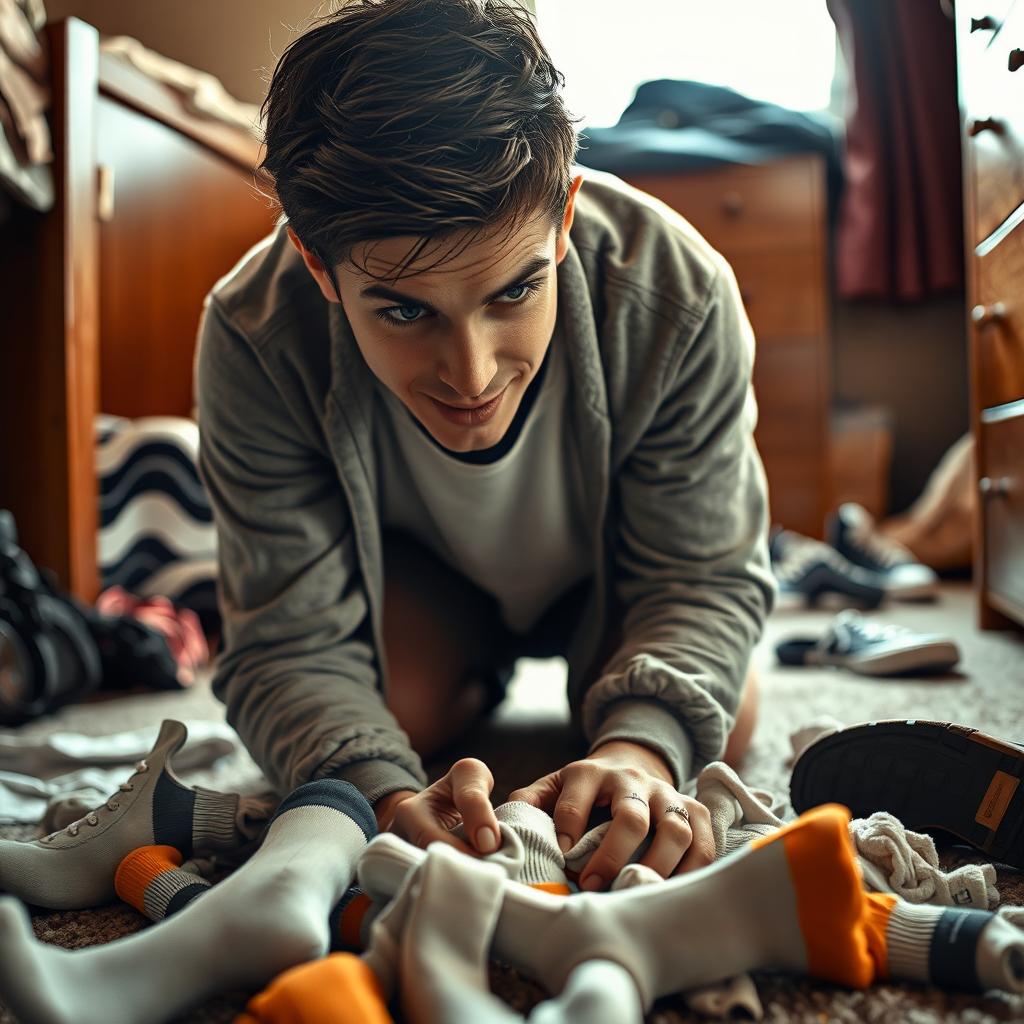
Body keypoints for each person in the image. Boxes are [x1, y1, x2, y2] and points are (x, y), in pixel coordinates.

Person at [196, 0, 774, 894]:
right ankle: (467, 683)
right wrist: (382, 797)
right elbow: (286, 642)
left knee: (715, 719)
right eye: (404, 311)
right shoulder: (252, 332)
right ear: (318, 264)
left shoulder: (679, 291)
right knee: (375, 723)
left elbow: (702, 579)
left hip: (615, 573)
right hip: (423, 586)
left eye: (513, 292)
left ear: (565, 215)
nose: (470, 375)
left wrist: (639, 753)